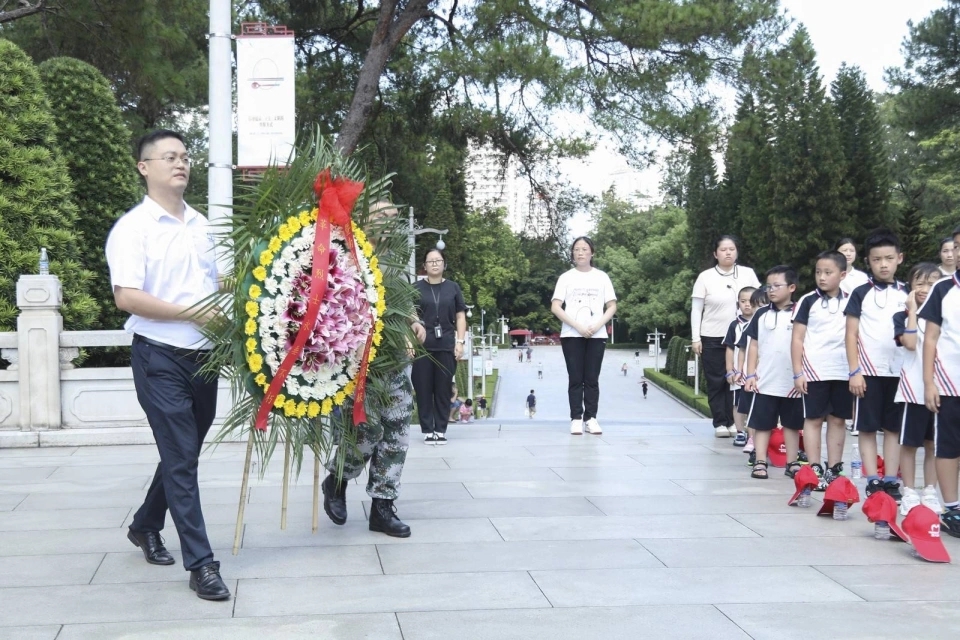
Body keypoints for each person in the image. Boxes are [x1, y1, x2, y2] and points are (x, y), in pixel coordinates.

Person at [105, 129, 229, 600]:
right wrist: (193, 312)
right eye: (170, 157)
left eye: (185, 157)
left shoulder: (203, 225)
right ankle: (202, 564)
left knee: (184, 454)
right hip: (159, 355)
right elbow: (127, 297)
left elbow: (220, 281)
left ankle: (144, 524)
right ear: (144, 167)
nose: (181, 164)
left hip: (205, 357)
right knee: (181, 458)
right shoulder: (133, 229)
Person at [321, 200, 421, 539]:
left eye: (394, 217)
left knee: (397, 432)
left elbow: (405, 306)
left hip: (394, 362)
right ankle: (337, 479)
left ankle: (383, 506)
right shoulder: (346, 257)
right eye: (382, 216)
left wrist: (414, 324)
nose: (389, 223)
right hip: (356, 362)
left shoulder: (394, 263)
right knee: (366, 431)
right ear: (364, 219)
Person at [844, 228, 908, 502]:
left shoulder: (908, 293)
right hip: (868, 373)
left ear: (899, 258)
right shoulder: (860, 293)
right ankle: (872, 478)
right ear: (868, 261)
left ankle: (891, 479)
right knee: (868, 427)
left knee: (894, 428)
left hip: (900, 373)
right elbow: (851, 334)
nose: (883, 264)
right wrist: (854, 371)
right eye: (877, 259)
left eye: (889, 258)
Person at [791, 251, 851, 490]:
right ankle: (814, 466)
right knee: (814, 419)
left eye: (828, 272)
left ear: (842, 275)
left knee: (838, 420)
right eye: (818, 272)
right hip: (814, 371)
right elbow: (797, 338)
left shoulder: (852, 300)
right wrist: (798, 372)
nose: (822, 277)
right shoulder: (807, 301)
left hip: (843, 370)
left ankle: (834, 468)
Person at [691, 235, 762, 438]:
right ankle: (720, 422)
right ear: (715, 254)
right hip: (713, 335)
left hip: (743, 337)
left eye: (731, 249)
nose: (728, 253)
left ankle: (734, 421)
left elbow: (760, 302)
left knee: (738, 379)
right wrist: (696, 338)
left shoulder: (748, 274)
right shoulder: (705, 277)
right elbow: (696, 309)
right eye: (723, 250)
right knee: (716, 381)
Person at [551, 236, 617, 435]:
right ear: (572, 253)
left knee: (592, 378)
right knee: (575, 378)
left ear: (592, 253)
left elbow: (612, 306)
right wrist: (578, 326)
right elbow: (556, 306)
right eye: (577, 249)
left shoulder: (602, 277)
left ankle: (591, 418)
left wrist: (597, 325)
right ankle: (576, 418)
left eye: (584, 249)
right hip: (572, 334)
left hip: (597, 334)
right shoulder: (566, 277)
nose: (580, 253)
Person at [742, 266, 803, 479]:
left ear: (792, 287)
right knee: (762, 424)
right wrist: (750, 374)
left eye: (777, 286)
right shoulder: (761, 314)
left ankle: (792, 462)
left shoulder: (800, 313)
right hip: (765, 380)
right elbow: (754, 345)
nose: (771, 290)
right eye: (769, 286)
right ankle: (760, 461)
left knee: (792, 425)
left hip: (792, 381)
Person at [895, 262, 943, 515]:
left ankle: (930, 491)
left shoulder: (948, 316)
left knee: (934, 444)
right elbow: (911, 343)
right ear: (910, 287)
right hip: (913, 391)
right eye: (920, 283)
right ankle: (910, 492)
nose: (925, 289)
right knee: (910, 444)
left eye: (931, 284)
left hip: (941, 389)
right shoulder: (901, 317)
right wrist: (913, 311)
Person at [920, 260, 960, 536]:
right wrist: (928, 382)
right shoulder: (943, 289)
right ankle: (952, 509)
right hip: (949, 383)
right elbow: (931, 338)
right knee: (947, 446)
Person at [411, 249, 467, 445]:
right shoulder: (416, 288)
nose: (434, 264)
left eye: (438, 260)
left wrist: (460, 342)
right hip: (422, 347)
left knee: (443, 389)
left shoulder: (453, 288)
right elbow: (409, 314)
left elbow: (460, 316)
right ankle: (427, 429)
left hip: (446, 345)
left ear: (444, 264)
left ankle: (440, 429)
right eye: (430, 261)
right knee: (423, 389)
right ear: (424, 266)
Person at [722, 286, 757, 447]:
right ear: (738, 304)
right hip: (738, 373)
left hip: (756, 373)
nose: (747, 305)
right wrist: (729, 370)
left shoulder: (761, 322)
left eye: (751, 301)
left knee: (754, 404)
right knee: (737, 403)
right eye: (743, 301)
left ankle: (753, 435)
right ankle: (740, 432)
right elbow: (730, 348)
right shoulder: (734, 325)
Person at [738, 287, 769, 465]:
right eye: (756, 306)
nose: (759, 309)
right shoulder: (749, 327)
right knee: (753, 412)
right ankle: (753, 442)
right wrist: (743, 371)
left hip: (772, 375)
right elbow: (744, 350)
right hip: (754, 377)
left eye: (763, 305)